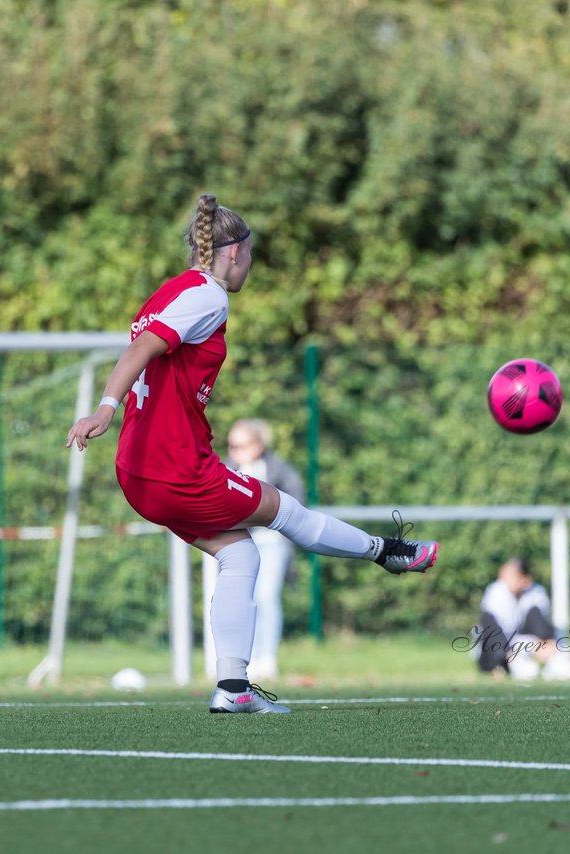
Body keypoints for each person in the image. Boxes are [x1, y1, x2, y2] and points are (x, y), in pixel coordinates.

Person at [66, 193, 439, 714]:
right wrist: (105, 407)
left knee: (241, 553)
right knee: (285, 511)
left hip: (139, 472)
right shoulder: (209, 297)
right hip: (177, 470)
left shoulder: (171, 289)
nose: (251, 267)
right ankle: (388, 553)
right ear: (235, 252)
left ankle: (234, 689)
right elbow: (142, 348)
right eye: (252, 256)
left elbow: (148, 346)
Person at [226, 418, 305, 682]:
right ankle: (239, 661)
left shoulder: (279, 470)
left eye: (241, 445)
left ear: (258, 445)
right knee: (240, 600)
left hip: (271, 543)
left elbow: (295, 504)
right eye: (232, 446)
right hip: (238, 543)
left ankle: (266, 658)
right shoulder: (224, 470)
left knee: (266, 596)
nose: (235, 451)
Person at [473, 557, 570, 681]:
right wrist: (513, 653)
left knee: (540, 624)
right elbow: (493, 631)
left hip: (522, 644)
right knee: (492, 630)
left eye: (513, 575)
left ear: (525, 579)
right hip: (494, 651)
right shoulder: (496, 592)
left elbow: (538, 622)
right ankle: (507, 665)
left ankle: (553, 660)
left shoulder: (534, 593)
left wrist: (546, 643)